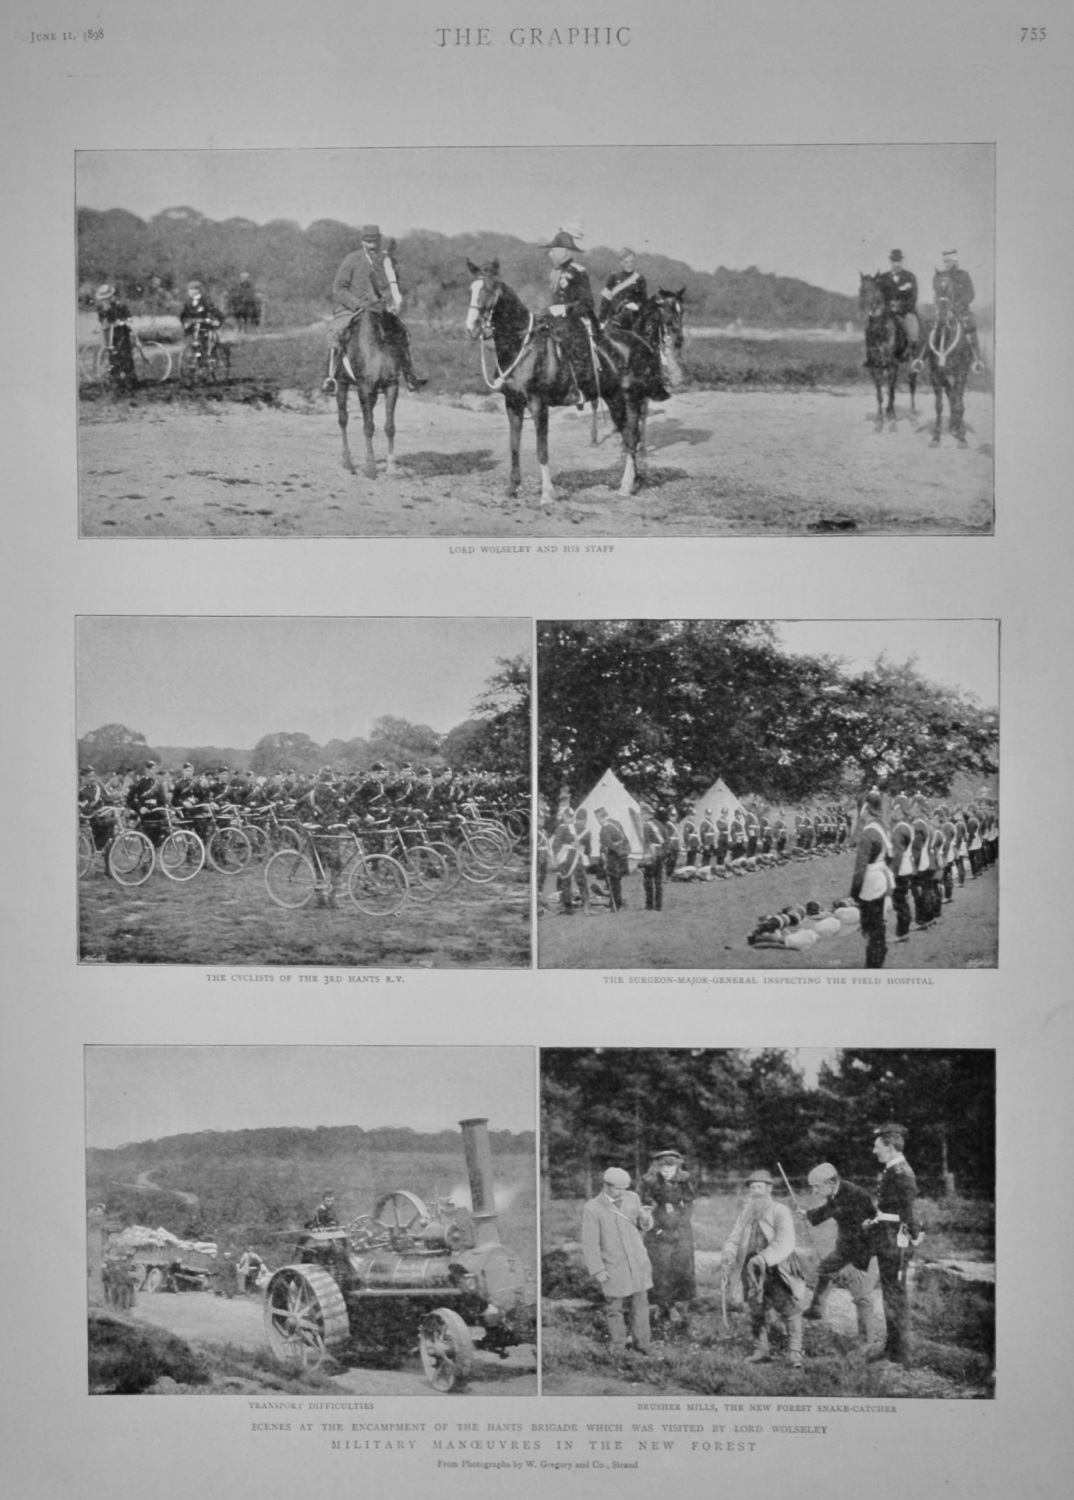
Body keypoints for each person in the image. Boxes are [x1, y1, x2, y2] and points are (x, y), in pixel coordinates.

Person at [718, 1169, 807, 1369]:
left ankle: (794, 1352)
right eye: (752, 1187)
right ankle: (762, 1349)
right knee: (756, 1310)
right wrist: (728, 1253)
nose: (755, 1191)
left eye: (760, 1187)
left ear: (769, 1189)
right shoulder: (746, 1212)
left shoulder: (779, 1210)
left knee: (788, 1309)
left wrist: (764, 1257)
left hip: (776, 1267)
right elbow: (735, 1236)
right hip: (750, 1270)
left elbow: (785, 1240)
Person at [325, 225, 426, 393]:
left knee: (401, 332)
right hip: (352, 309)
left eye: (375, 241)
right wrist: (358, 304)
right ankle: (331, 377)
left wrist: (391, 302)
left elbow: (394, 285)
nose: (372, 245)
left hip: (380, 309)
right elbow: (339, 288)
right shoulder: (352, 259)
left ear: (380, 241)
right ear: (362, 242)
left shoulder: (386, 261)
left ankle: (410, 375)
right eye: (368, 241)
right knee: (336, 332)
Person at [799, 1163, 878, 1349]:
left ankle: (867, 1342)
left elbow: (867, 1234)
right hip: (845, 1246)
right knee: (825, 1269)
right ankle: (816, 1310)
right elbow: (830, 1210)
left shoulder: (856, 1196)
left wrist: (859, 1265)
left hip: (867, 1250)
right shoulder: (836, 1193)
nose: (815, 1191)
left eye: (817, 1186)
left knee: (862, 1296)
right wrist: (808, 1215)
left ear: (831, 1182)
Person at [865, 1124, 923, 1366]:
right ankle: (893, 1348)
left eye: (877, 1147)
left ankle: (901, 1352)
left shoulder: (901, 1173)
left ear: (889, 1148)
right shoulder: (892, 1170)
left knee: (896, 1295)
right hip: (887, 1237)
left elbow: (907, 1211)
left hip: (895, 1240)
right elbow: (891, 1208)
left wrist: (915, 1235)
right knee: (890, 1294)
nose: (873, 1151)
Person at [581, 1166, 654, 1359]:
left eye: (625, 1188)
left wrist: (646, 1218)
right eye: (618, 1188)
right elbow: (590, 1243)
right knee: (615, 1308)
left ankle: (643, 1344)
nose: (622, 1192)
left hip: (637, 1262)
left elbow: (642, 1226)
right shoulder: (593, 1208)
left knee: (640, 1305)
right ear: (606, 1185)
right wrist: (598, 1269)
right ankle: (618, 1346)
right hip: (614, 1266)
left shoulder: (633, 1198)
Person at [640, 1150, 696, 1330]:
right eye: (662, 1167)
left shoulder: (684, 1180)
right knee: (661, 1268)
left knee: (682, 1266)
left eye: (670, 1166)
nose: (665, 1170)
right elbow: (646, 1207)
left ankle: (681, 1305)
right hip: (659, 1228)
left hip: (681, 1228)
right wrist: (656, 1227)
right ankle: (665, 1305)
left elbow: (688, 1204)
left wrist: (681, 1225)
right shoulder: (650, 1182)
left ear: (677, 1166)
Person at [544, 228, 598, 407]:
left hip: (576, 321)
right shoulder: (554, 273)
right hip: (557, 320)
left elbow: (587, 302)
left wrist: (565, 308)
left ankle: (579, 389)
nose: (550, 253)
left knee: (570, 343)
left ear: (564, 252)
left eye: (553, 250)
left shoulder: (578, 272)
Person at [849, 789, 893, 968]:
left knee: (870, 923)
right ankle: (880, 950)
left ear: (866, 808)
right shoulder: (882, 827)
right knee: (877, 920)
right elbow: (890, 854)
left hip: (870, 880)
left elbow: (860, 867)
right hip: (880, 876)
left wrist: (854, 891)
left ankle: (874, 960)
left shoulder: (868, 832)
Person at [938, 250, 985, 368]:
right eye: (946, 261)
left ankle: (977, 359)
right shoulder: (941, 276)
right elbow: (937, 293)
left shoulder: (964, 275)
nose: (948, 264)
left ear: (956, 261)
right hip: (945, 310)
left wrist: (959, 303)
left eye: (950, 261)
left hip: (961, 310)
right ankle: (922, 358)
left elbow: (971, 294)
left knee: (970, 325)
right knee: (932, 328)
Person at [877, 249, 920, 358]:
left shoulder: (910, 277)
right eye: (893, 261)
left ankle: (913, 357)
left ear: (901, 262)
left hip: (906, 312)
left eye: (898, 261)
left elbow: (914, 297)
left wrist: (901, 306)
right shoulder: (883, 278)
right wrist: (888, 306)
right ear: (890, 262)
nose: (896, 264)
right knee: (875, 328)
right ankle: (874, 356)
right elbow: (879, 297)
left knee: (913, 332)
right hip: (887, 312)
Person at [94, 284, 136, 385]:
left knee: (124, 354)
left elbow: (128, 317)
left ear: (112, 296)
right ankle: (114, 377)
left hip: (121, 332)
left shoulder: (120, 305)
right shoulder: (101, 307)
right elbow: (101, 319)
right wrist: (103, 324)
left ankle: (129, 378)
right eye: (103, 299)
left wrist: (124, 321)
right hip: (109, 332)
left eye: (107, 298)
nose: (106, 301)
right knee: (111, 353)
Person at [600, 247, 648, 328]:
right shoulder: (613, 277)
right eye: (625, 262)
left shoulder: (640, 278)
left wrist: (637, 306)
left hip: (633, 320)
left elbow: (644, 300)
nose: (629, 264)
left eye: (631, 261)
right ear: (620, 262)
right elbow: (605, 301)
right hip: (614, 319)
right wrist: (601, 320)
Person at [595, 805, 631, 912]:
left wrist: (606, 858)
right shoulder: (617, 823)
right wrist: (624, 852)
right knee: (617, 881)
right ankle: (617, 902)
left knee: (612, 881)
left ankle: (615, 904)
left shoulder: (605, 828)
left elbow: (608, 844)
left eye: (597, 818)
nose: (597, 821)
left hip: (613, 857)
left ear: (599, 817)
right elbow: (624, 839)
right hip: (621, 856)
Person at [179, 281, 224, 349]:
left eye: (192, 289)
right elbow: (183, 315)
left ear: (198, 291)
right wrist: (184, 323)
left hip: (204, 326)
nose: (189, 291)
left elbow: (215, 312)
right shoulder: (188, 303)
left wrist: (217, 321)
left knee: (210, 341)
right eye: (189, 289)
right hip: (192, 327)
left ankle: (211, 352)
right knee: (190, 342)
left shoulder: (205, 301)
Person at [639, 802, 666, 911]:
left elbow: (647, 842)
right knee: (658, 880)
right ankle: (658, 905)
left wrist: (646, 857)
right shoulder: (660, 824)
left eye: (642, 814)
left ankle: (649, 904)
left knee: (648, 880)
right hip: (660, 853)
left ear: (646, 814)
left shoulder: (646, 825)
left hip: (652, 854)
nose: (642, 817)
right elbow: (665, 839)